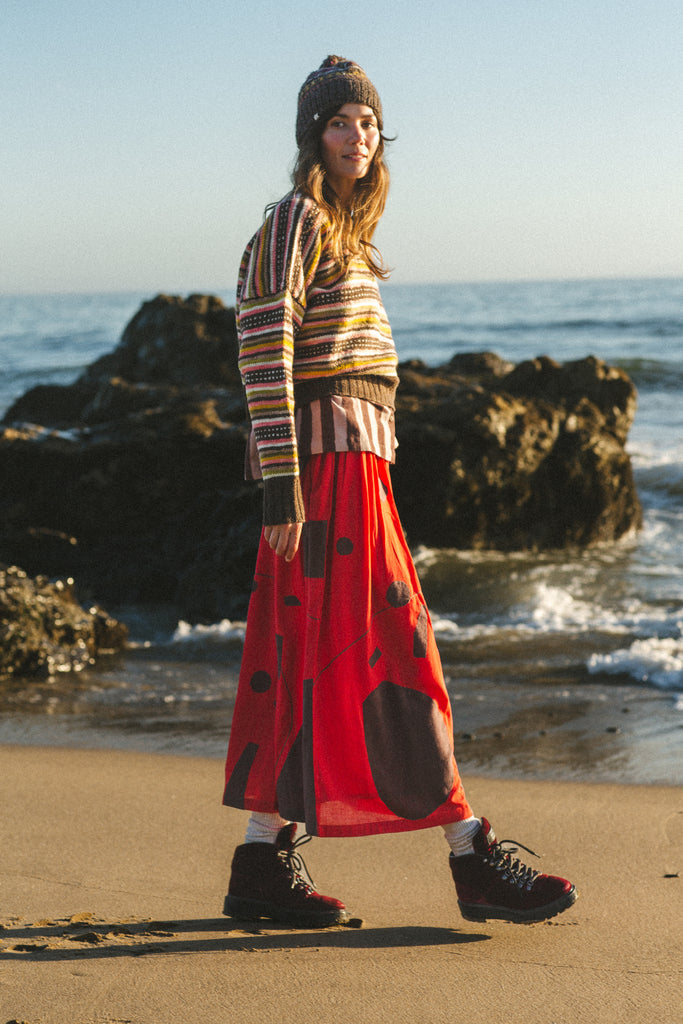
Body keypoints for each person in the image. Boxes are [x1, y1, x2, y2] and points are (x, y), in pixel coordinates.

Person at [222, 55, 577, 927]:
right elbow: (263, 353)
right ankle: (470, 855)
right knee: (398, 647)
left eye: (369, 125)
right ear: (314, 135)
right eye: (341, 122)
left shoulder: (345, 233)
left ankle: (260, 864)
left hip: (355, 463)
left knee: (307, 655)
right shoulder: (294, 219)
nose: (357, 137)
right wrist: (281, 486)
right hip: (321, 473)